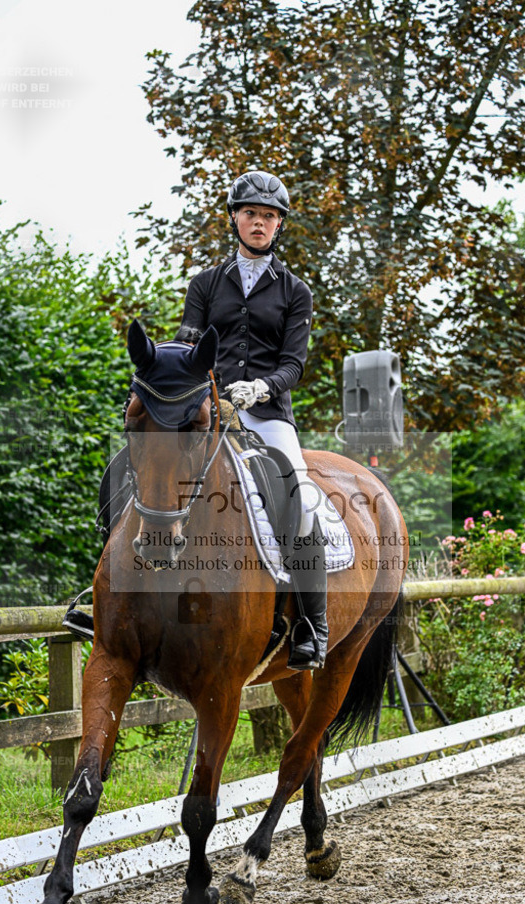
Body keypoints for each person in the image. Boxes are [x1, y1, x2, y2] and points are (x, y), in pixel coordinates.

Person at [180, 169, 328, 670]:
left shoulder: (295, 291)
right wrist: (202, 392)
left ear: (279, 225)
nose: (260, 222)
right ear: (235, 220)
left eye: (269, 216)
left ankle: (312, 624)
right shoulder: (204, 285)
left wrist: (261, 387)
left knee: (300, 498)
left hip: (268, 415)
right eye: (251, 214)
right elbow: (188, 347)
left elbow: (295, 363)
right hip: (211, 412)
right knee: (142, 468)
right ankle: (107, 598)